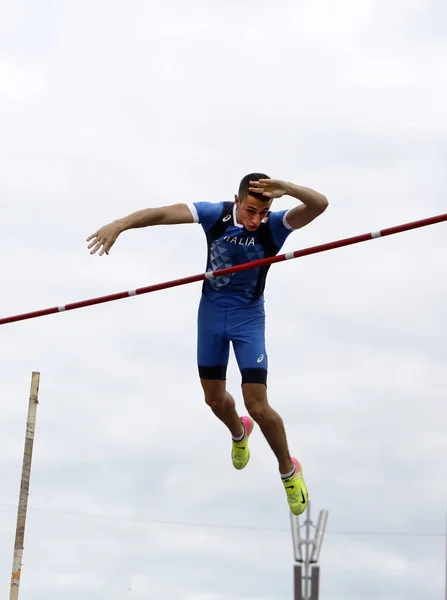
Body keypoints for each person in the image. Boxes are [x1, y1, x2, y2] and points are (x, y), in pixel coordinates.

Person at [87, 174, 328, 515]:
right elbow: (161, 214)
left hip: (248, 319)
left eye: (262, 211)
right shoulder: (216, 215)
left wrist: (287, 189)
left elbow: (320, 204)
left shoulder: (275, 226)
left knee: (257, 405)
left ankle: (288, 471)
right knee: (214, 399)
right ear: (236, 200)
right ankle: (237, 431)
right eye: (250, 210)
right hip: (212, 315)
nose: (255, 219)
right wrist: (120, 224)